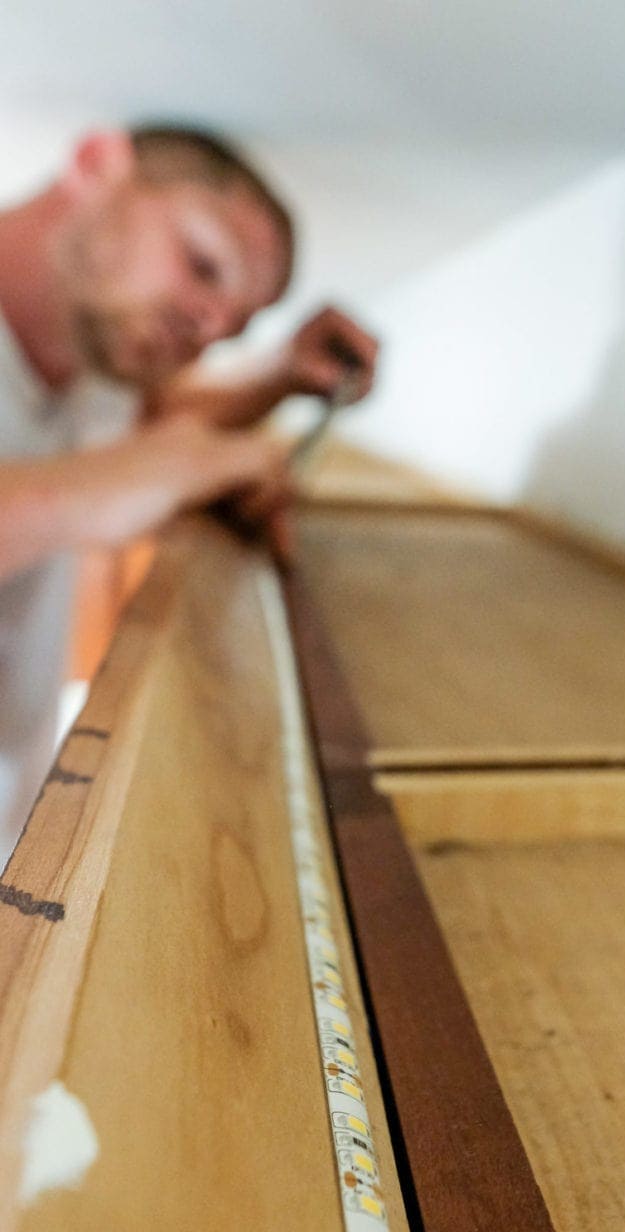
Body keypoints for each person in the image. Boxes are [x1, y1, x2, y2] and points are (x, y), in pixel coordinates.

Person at [0, 123, 379, 860]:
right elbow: (139, 459)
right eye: (203, 265)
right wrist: (118, 481)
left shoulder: (89, 367)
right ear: (96, 163)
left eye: (231, 325)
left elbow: (155, 421)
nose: (208, 328)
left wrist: (279, 376)